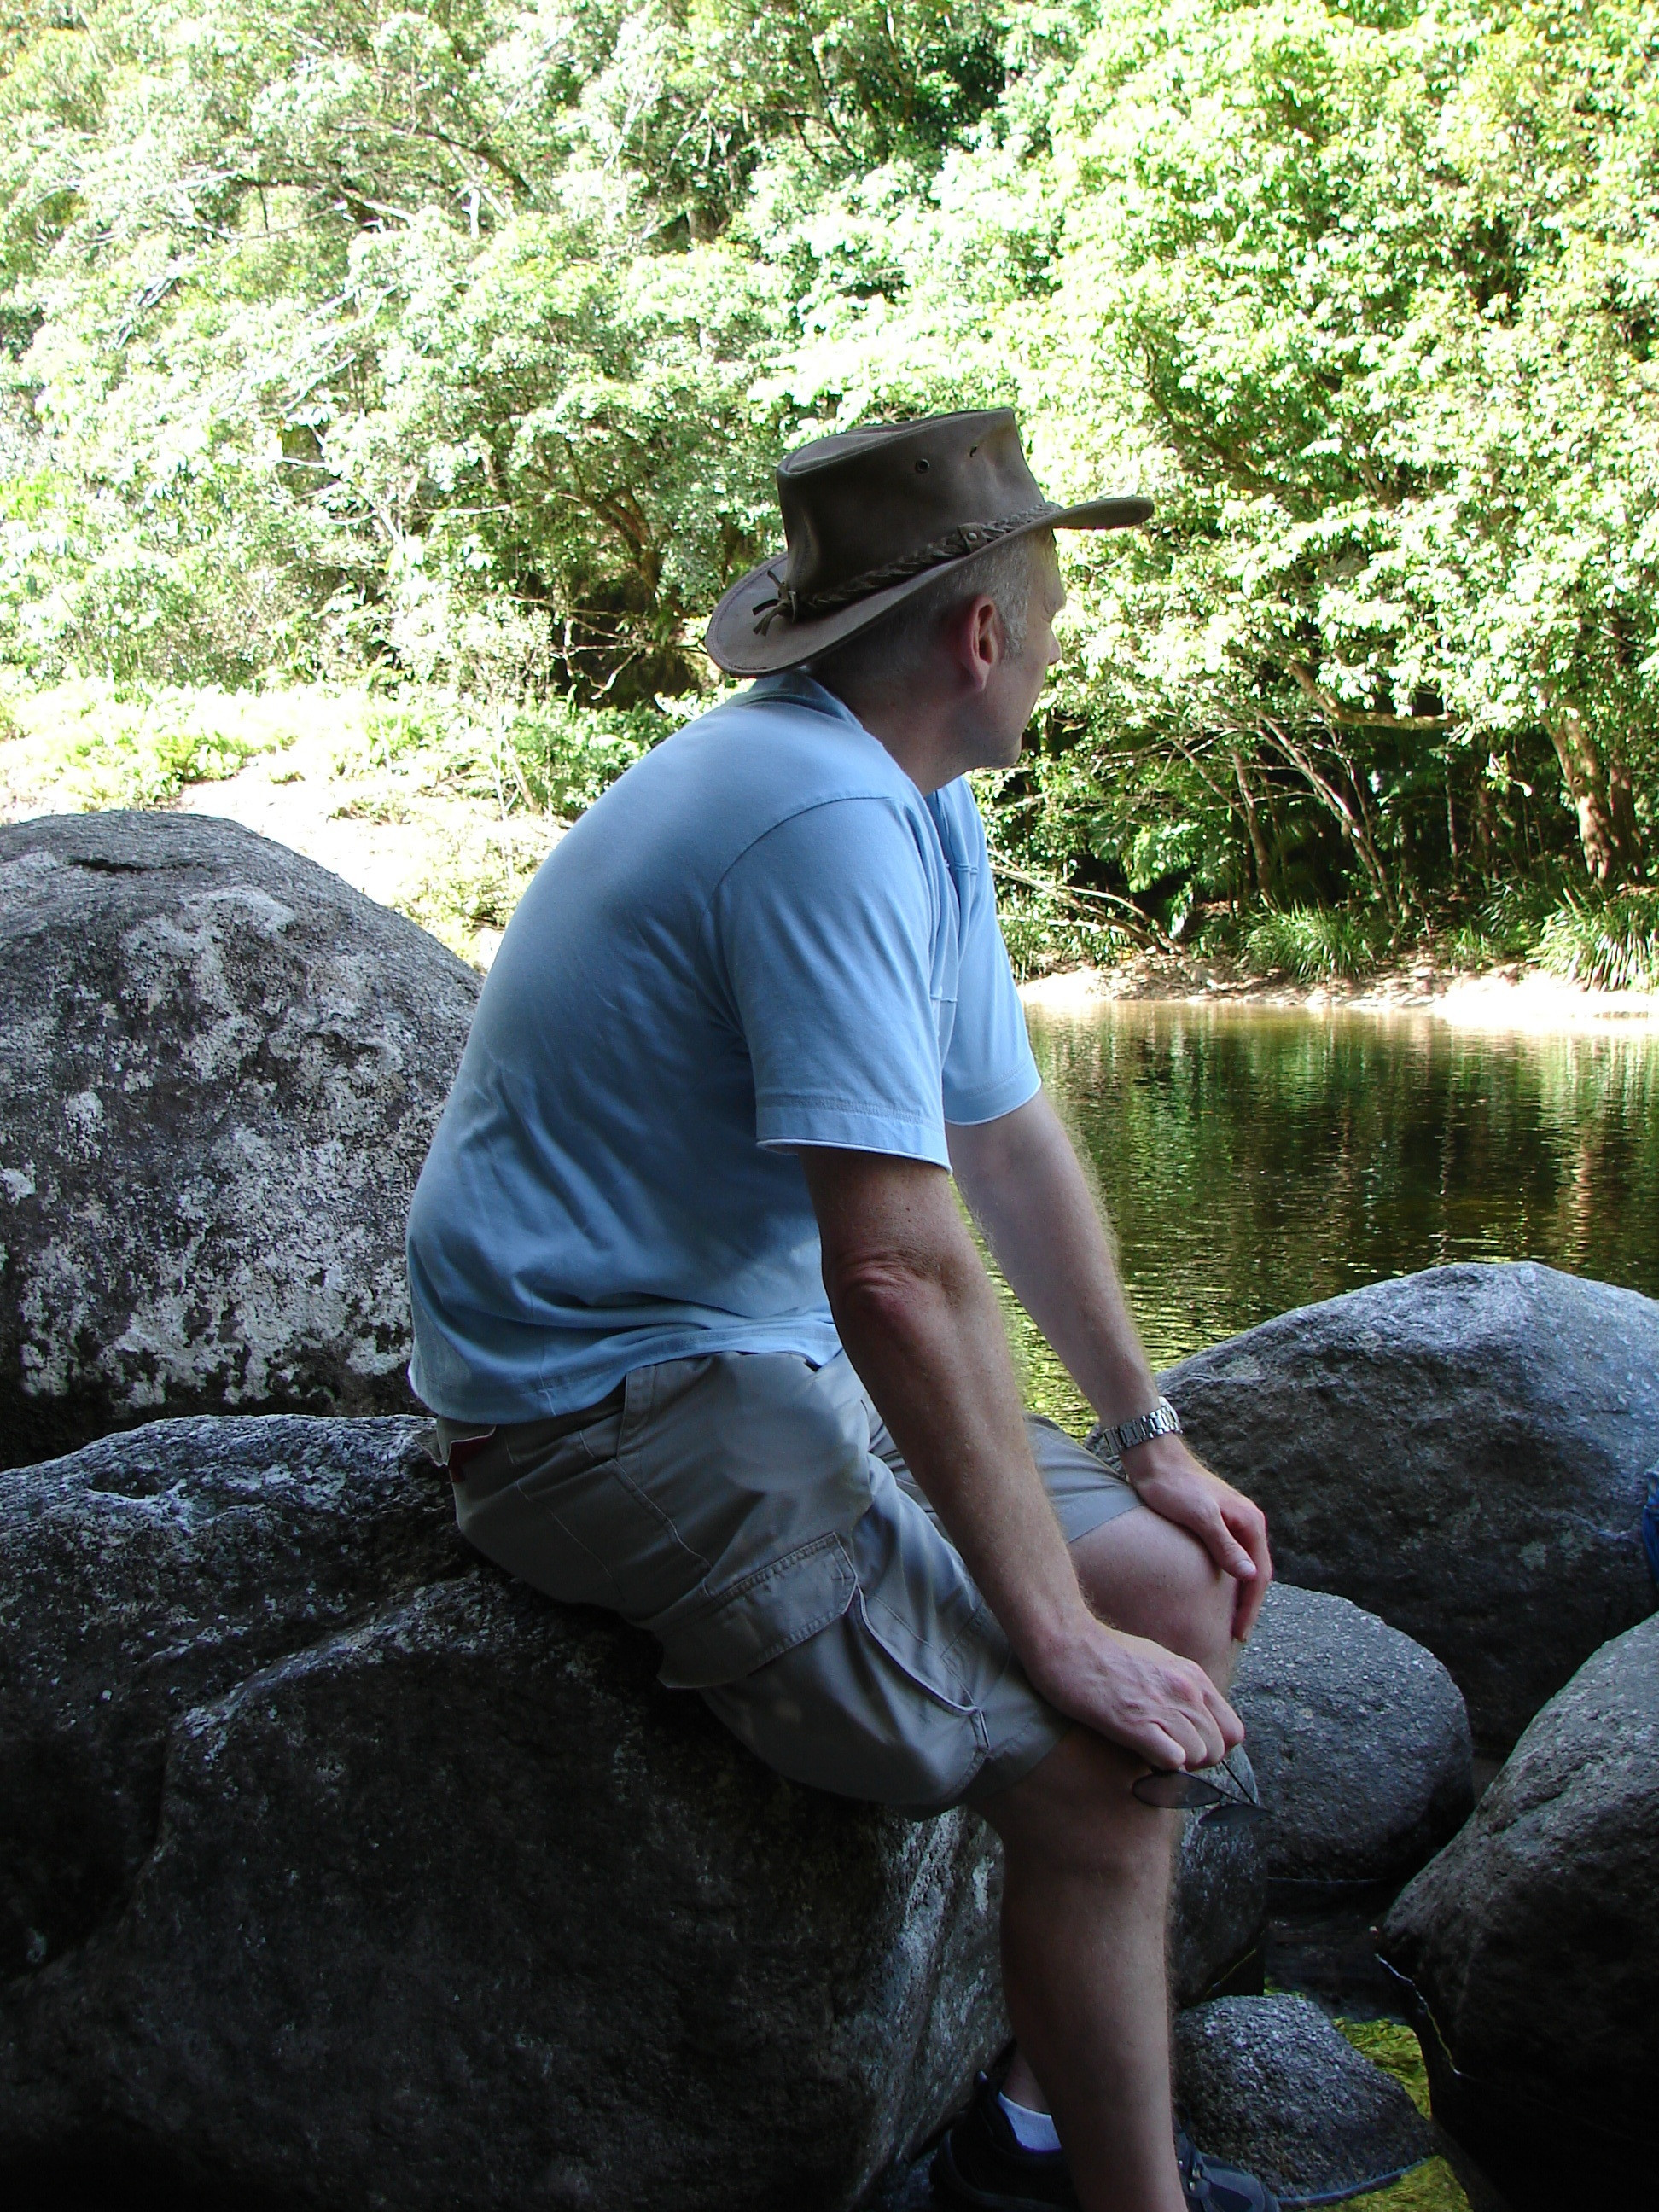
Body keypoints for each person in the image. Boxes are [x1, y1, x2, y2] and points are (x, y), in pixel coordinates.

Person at [405, 410, 1277, 2212]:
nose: (1056, 637)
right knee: (1103, 1760)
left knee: (1187, 1585)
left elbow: (1007, 1154)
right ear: (983, 634)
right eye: (1050, 604)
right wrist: (1049, 1634)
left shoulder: (913, 812)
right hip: (600, 1406)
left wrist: (1150, 1438)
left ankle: (1032, 2127)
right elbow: (892, 1263)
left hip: (758, 1356)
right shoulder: (811, 821)